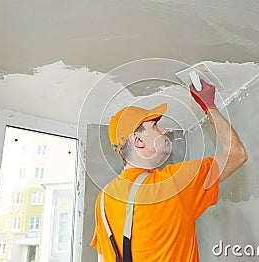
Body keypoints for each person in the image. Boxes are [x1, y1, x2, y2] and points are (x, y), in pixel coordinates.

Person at [91, 79, 247, 261]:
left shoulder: (104, 199)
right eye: (155, 126)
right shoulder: (173, 182)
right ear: (138, 141)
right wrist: (209, 106)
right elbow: (237, 154)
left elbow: (102, 258)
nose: (164, 131)